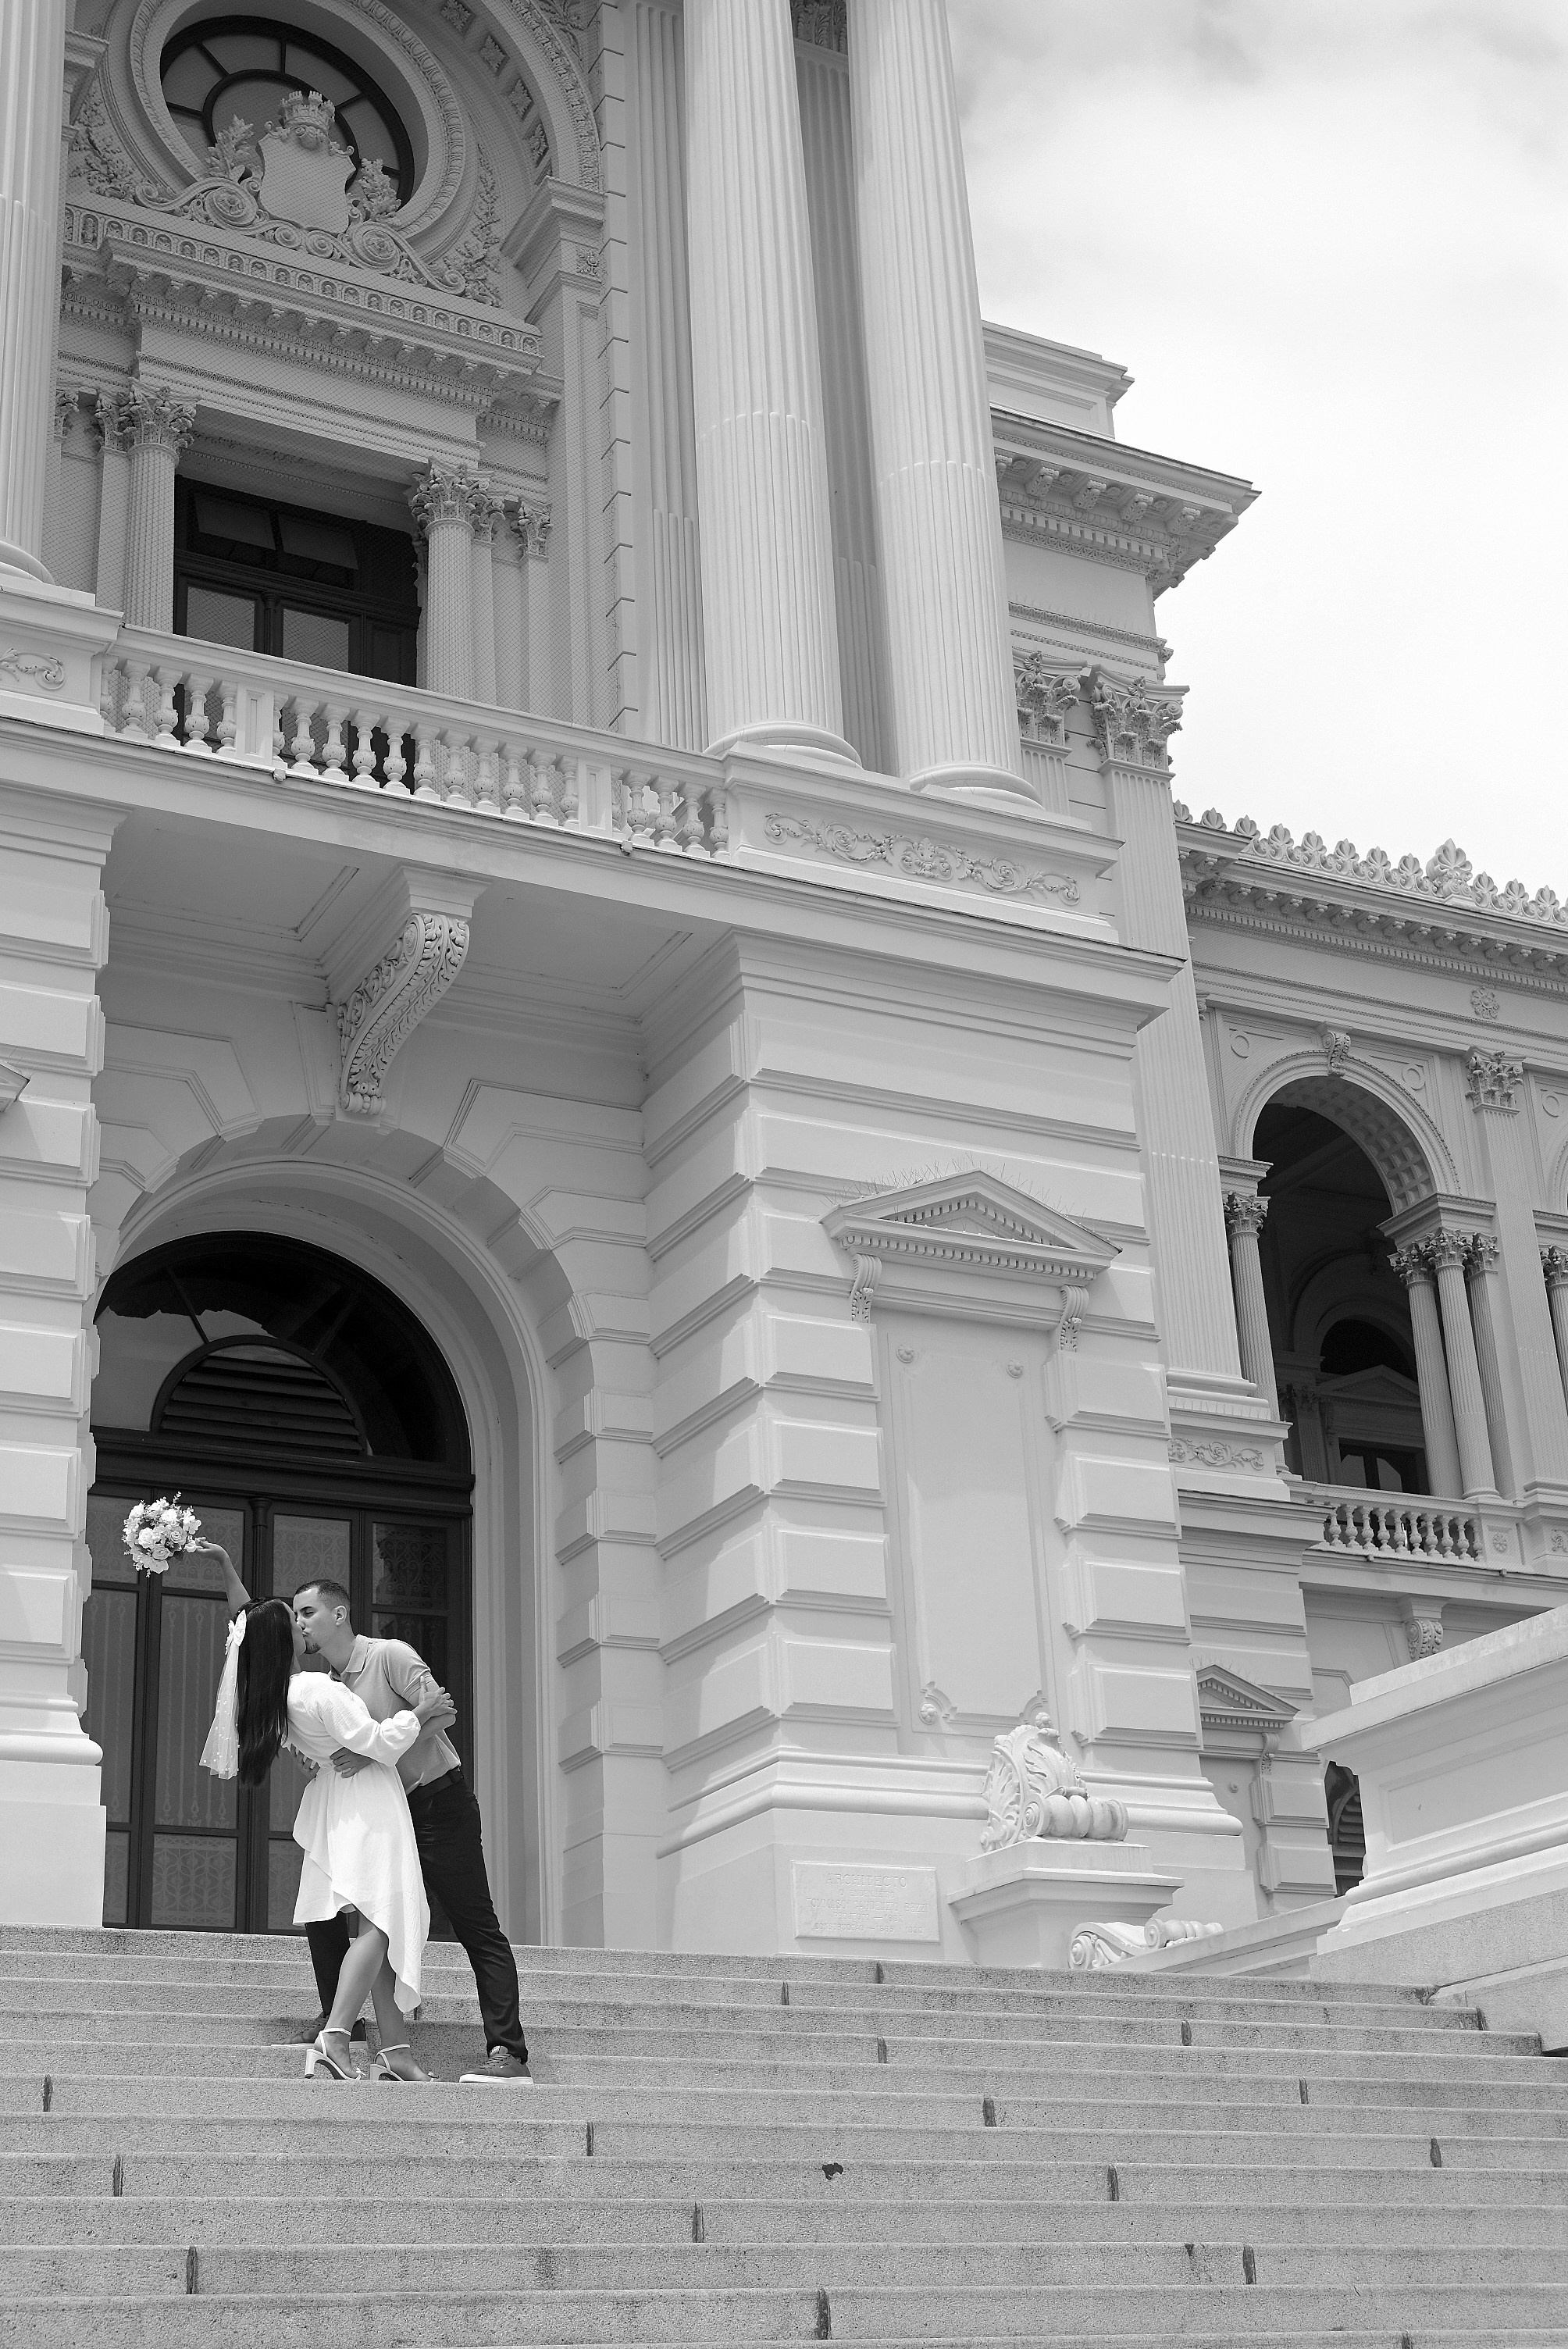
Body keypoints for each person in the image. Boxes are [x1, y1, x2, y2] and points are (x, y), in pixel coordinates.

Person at [196, 1563, 453, 2083]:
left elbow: (245, 1621)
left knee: (372, 1926)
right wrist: (422, 1710)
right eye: (294, 1618)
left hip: (340, 1807)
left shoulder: (277, 1703)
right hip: (368, 1804)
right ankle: (336, 2036)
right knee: (381, 1924)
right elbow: (378, 1744)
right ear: (282, 1638)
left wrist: (227, 1567)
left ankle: (396, 2051)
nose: (302, 1623)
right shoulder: (314, 1689)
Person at [290, 1577, 532, 2085]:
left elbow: (440, 1711)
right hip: (385, 1815)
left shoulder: (388, 1655)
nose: (300, 1623)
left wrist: (372, 1748)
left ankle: (508, 2052)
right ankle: (346, 2025)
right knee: (334, 1910)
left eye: (307, 1612)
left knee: (475, 1924)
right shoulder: (326, 1688)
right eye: (295, 1616)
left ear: (339, 1615)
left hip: (438, 1803)